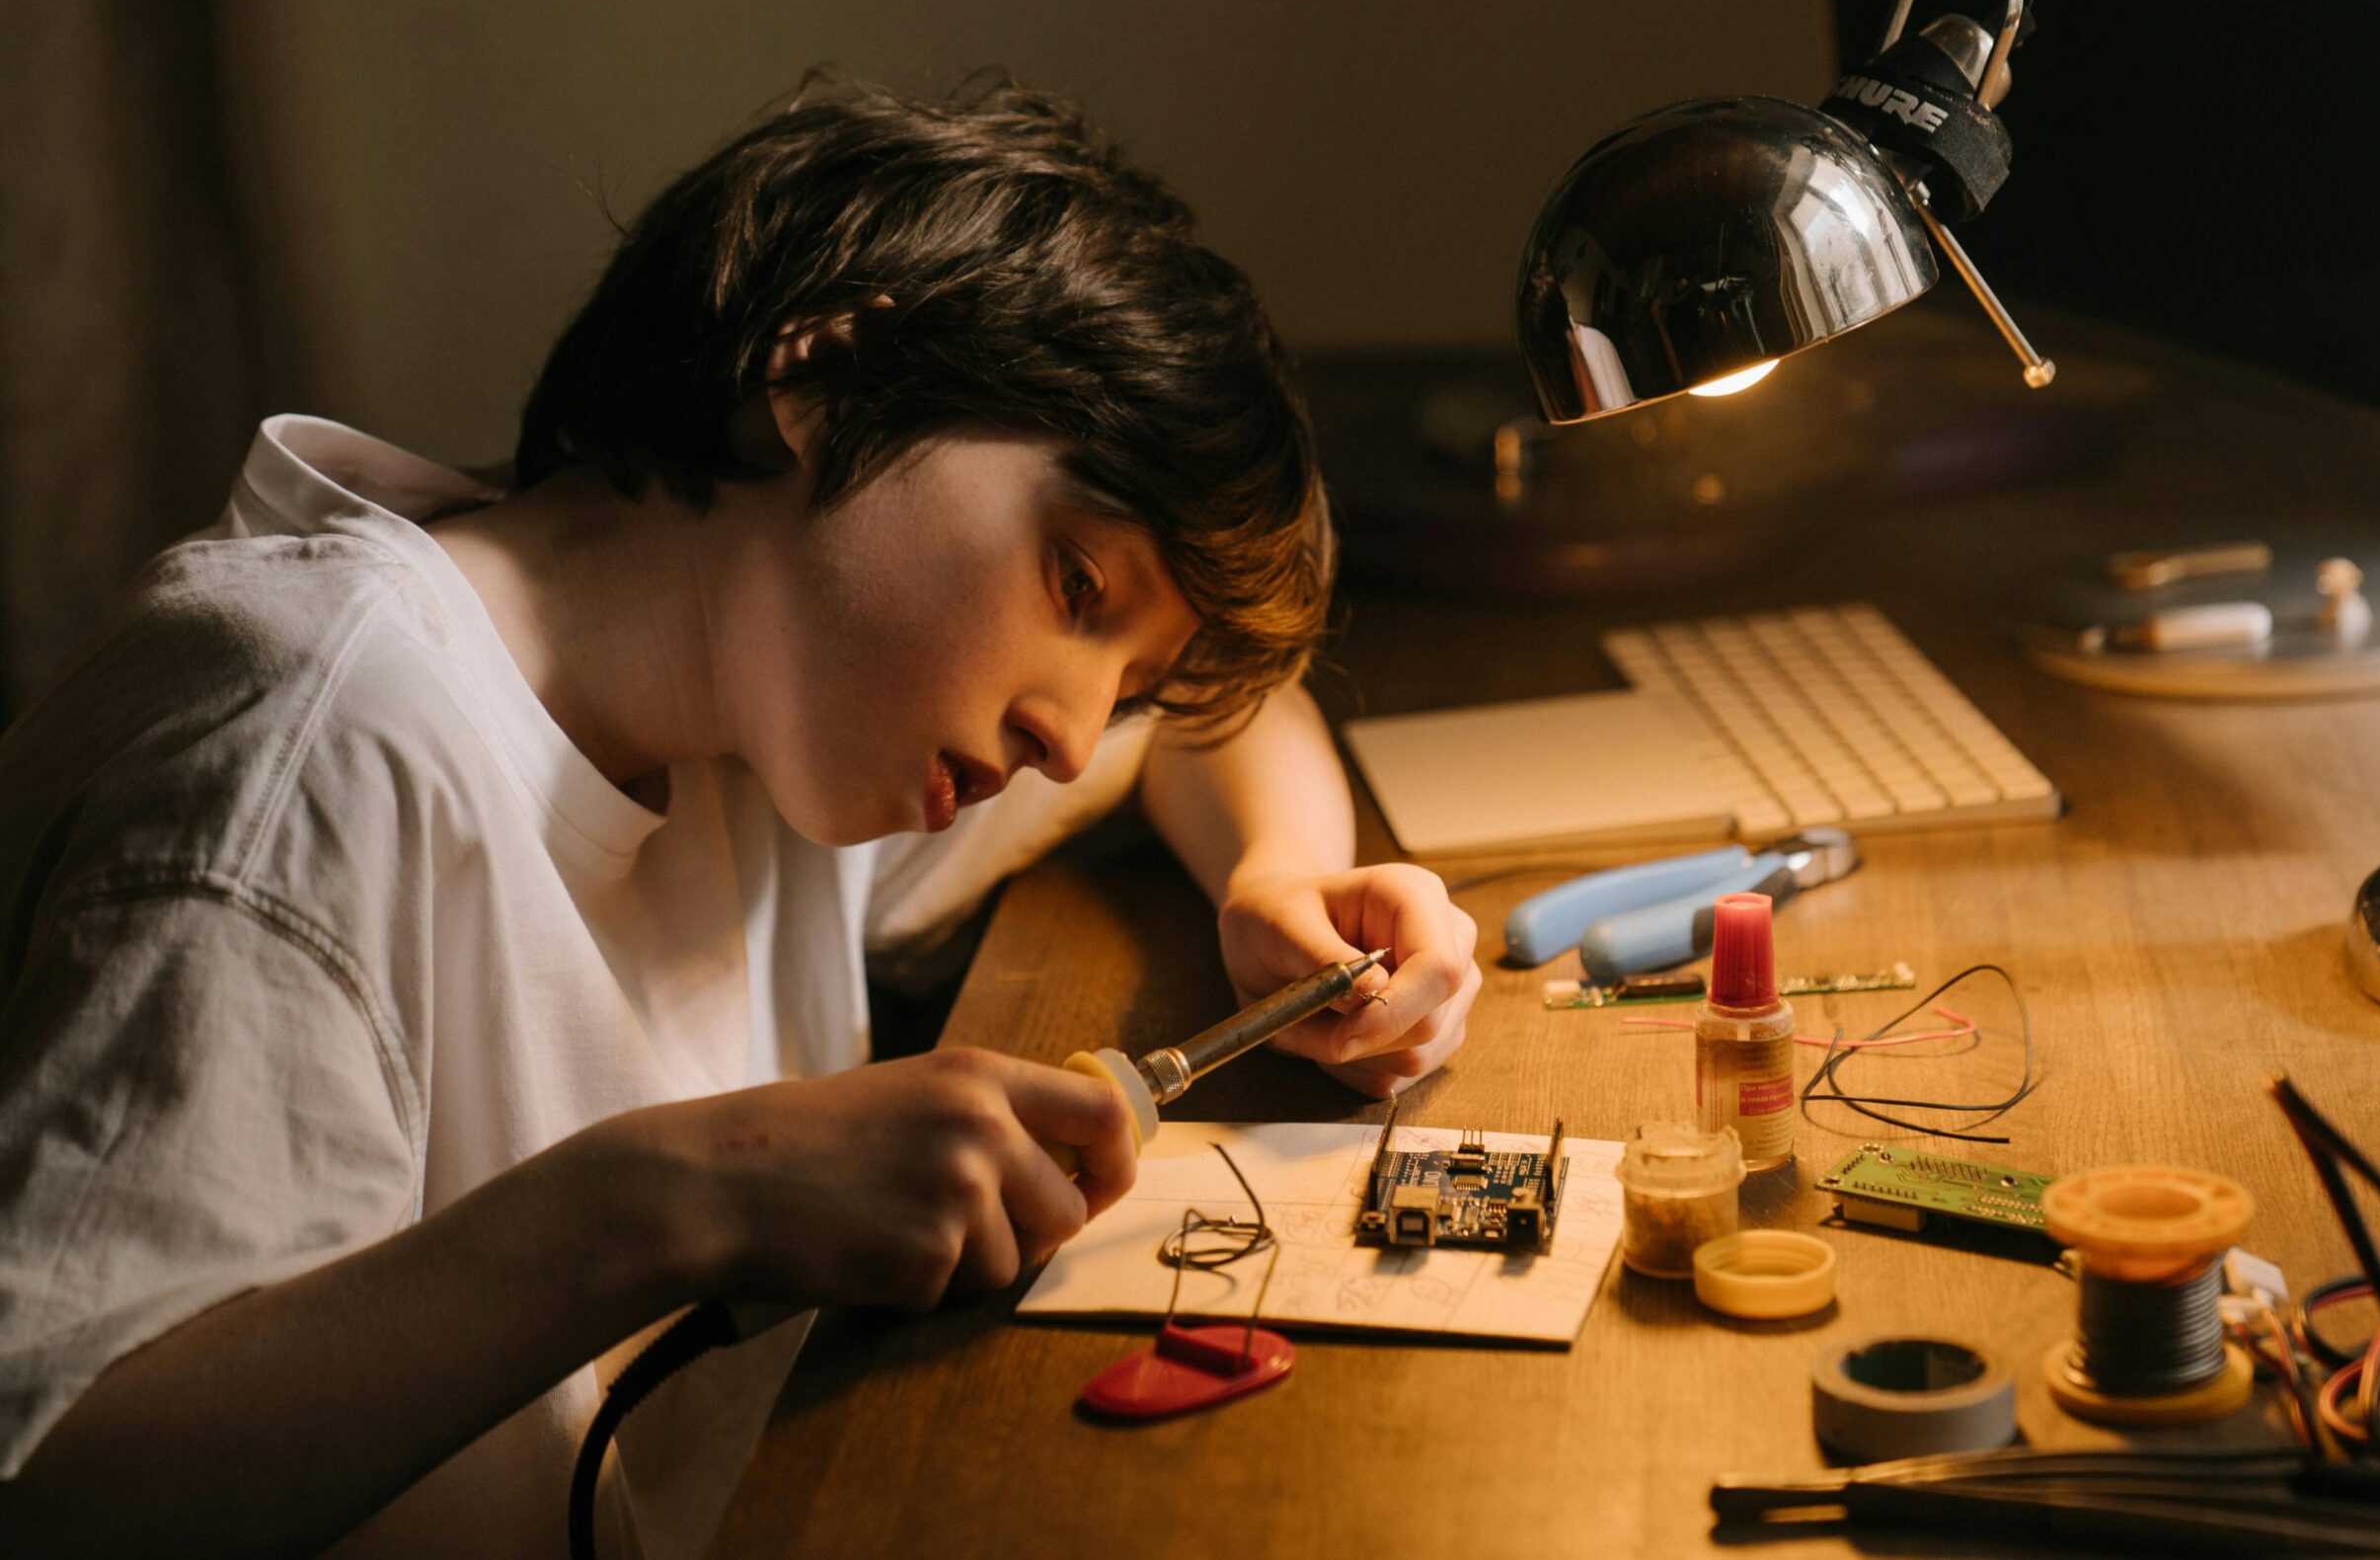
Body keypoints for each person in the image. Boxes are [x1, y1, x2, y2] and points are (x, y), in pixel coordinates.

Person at [0, 81, 1480, 1558]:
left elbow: (1226, 726)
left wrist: (1282, 878)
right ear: (826, 378)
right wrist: (686, 1200)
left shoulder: (771, 698)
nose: (1075, 738)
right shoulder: (311, 739)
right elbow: (54, 1484)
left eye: (1130, 680)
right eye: (1077, 585)